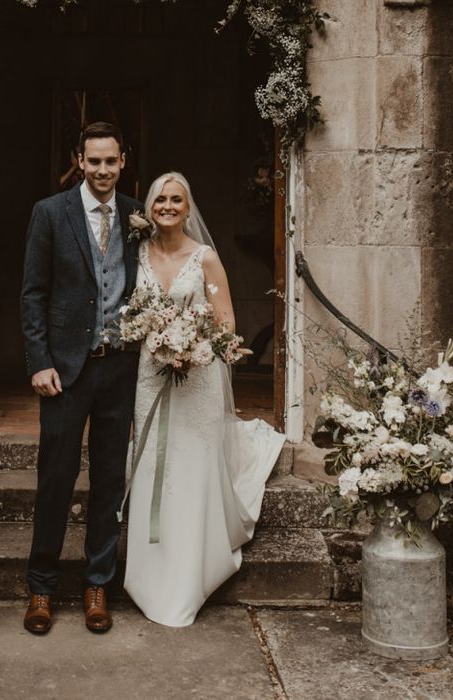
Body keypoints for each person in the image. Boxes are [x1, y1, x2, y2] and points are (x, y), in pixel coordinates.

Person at [123, 172, 285, 627]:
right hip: (150, 376)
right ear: (150, 208)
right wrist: (156, 341)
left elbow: (227, 321)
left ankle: (189, 575)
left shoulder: (205, 259)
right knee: (155, 462)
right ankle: (148, 574)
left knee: (191, 465)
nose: (168, 206)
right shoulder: (136, 254)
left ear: (188, 208)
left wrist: (194, 346)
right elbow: (131, 313)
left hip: (197, 377)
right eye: (160, 200)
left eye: (176, 200)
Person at [20, 122, 143, 634]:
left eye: (110, 161)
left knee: (110, 482)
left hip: (120, 367)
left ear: (123, 161)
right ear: (79, 160)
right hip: (65, 372)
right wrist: (39, 361)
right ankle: (42, 588)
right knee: (56, 480)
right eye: (93, 161)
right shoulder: (50, 213)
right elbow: (33, 294)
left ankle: (98, 584)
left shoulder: (140, 214)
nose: (102, 171)